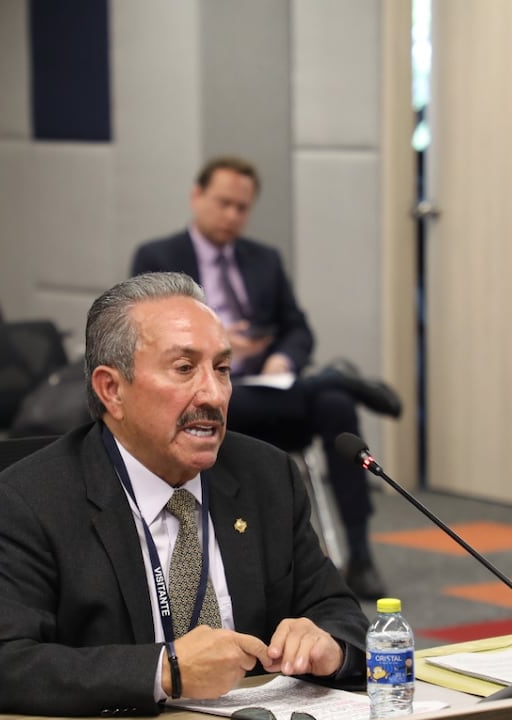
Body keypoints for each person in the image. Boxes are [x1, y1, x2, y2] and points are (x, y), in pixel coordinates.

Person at [0, 272, 367, 716]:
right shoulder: (31, 501)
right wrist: (164, 670)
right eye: (185, 369)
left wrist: (329, 643)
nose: (213, 393)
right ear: (111, 389)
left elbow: (340, 613)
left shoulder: (266, 476)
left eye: (223, 369)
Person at [131, 155, 398, 600]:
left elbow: (298, 328)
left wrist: (284, 361)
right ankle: (337, 379)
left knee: (337, 410)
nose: (233, 215)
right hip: (210, 397)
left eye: (242, 207)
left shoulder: (264, 260)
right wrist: (217, 347)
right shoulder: (158, 257)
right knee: (315, 391)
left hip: (272, 388)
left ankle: (361, 553)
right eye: (223, 203)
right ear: (197, 197)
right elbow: (146, 335)